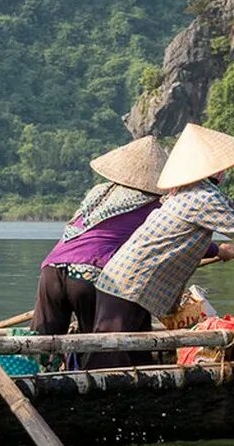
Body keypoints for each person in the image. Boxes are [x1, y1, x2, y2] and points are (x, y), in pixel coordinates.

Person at [88, 123, 234, 370]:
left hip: (134, 287)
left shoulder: (198, 191)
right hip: (129, 284)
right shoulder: (201, 198)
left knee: (136, 356)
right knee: (110, 356)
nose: (225, 170)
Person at [33, 136, 168, 342]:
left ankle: (34, 372)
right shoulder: (154, 206)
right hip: (90, 276)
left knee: (42, 343)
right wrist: (218, 250)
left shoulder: (99, 192)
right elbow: (174, 238)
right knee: (96, 346)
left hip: (52, 270)